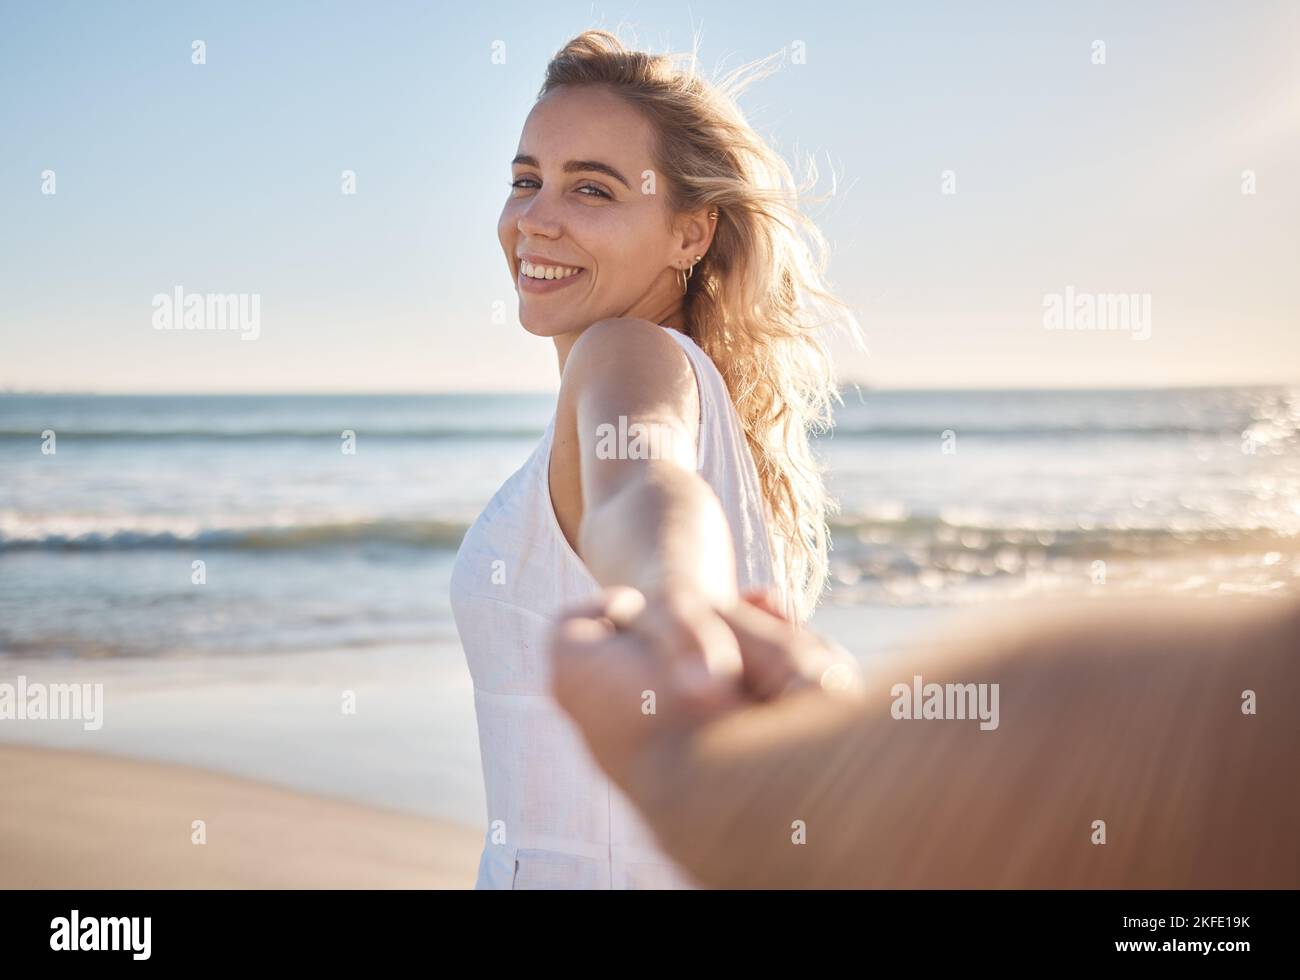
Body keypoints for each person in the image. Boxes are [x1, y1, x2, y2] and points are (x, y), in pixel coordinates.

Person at [449, 30, 858, 888]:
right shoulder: (702, 399)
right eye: (527, 180)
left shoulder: (625, 356)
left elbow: (644, 481)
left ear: (690, 234)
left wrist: (673, 600)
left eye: (590, 188)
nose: (535, 218)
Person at [549, 587, 1300, 888]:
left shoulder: (627, 354)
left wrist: (679, 768)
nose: (526, 232)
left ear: (693, 235)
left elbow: (1225, 772)